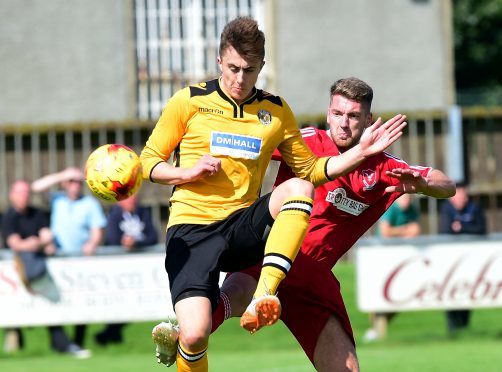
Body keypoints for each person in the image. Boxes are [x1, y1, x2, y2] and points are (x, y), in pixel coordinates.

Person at [141, 17, 408, 372]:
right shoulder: (188, 102)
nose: (240, 79)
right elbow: (148, 162)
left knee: (298, 187)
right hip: (192, 228)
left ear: (261, 67)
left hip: (240, 225)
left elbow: (312, 169)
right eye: (233, 68)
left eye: (249, 70)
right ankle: (186, 338)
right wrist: (184, 172)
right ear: (220, 61)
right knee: (194, 335)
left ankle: (265, 292)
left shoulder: (276, 111)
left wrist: (359, 153)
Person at [1, 179, 91, 358]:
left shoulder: (36, 214)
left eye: (27, 193)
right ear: (12, 195)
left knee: (49, 308)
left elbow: (47, 236)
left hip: (37, 271)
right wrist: (34, 243)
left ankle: (61, 344)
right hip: (16, 274)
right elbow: (15, 243)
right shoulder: (9, 216)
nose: (24, 196)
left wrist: (37, 242)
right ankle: (15, 340)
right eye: (20, 193)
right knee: (16, 314)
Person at [32, 167, 107, 348]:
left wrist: (92, 244)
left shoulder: (89, 203)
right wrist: (62, 175)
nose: (75, 185)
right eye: (71, 181)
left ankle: (78, 342)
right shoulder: (57, 199)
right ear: (65, 184)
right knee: (54, 301)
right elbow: (36, 187)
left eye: (77, 181)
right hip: (57, 260)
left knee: (80, 302)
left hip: (80, 261)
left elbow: (97, 229)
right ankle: (60, 343)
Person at [95, 194, 159, 346]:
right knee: (121, 304)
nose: (133, 201)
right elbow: (112, 240)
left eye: (135, 198)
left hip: (141, 268)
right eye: (129, 198)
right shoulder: (114, 215)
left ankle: (109, 335)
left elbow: (153, 237)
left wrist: (136, 243)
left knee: (139, 304)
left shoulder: (143, 212)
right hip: (120, 270)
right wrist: (124, 243)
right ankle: (109, 335)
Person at [362, 193, 422, 342]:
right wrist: (405, 230)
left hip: (400, 259)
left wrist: (409, 231)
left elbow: (416, 230)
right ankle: (376, 329)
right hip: (381, 257)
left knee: (398, 296)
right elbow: (385, 231)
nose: (407, 200)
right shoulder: (392, 208)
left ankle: (376, 330)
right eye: (405, 197)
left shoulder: (412, 210)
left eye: (409, 198)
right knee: (380, 296)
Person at [439, 181, 486, 333]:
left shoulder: (474, 208)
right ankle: (452, 327)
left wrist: (462, 227)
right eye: (456, 196)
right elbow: (446, 230)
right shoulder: (446, 209)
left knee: (468, 291)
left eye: (462, 196)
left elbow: (482, 229)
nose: (459, 199)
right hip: (450, 262)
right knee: (450, 291)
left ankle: (465, 327)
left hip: (470, 261)